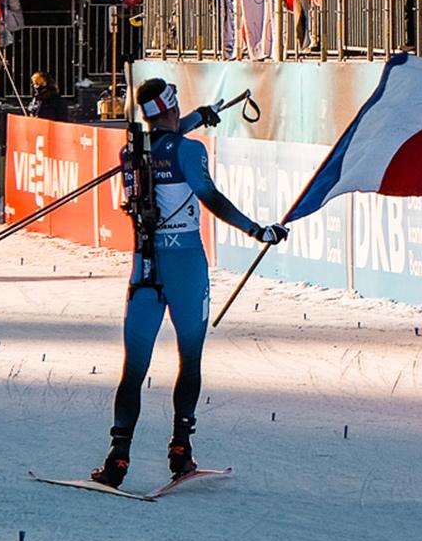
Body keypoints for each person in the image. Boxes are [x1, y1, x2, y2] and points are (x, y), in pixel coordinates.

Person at [90, 77, 285, 489]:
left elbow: (164, 138)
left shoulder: (131, 152)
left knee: (134, 367)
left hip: (144, 266)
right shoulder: (190, 149)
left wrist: (198, 116)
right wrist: (258, 231)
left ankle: (117, 458)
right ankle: (180, 449)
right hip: (185, 268)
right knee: (189, 357)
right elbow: (210, 196)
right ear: (173, 108)